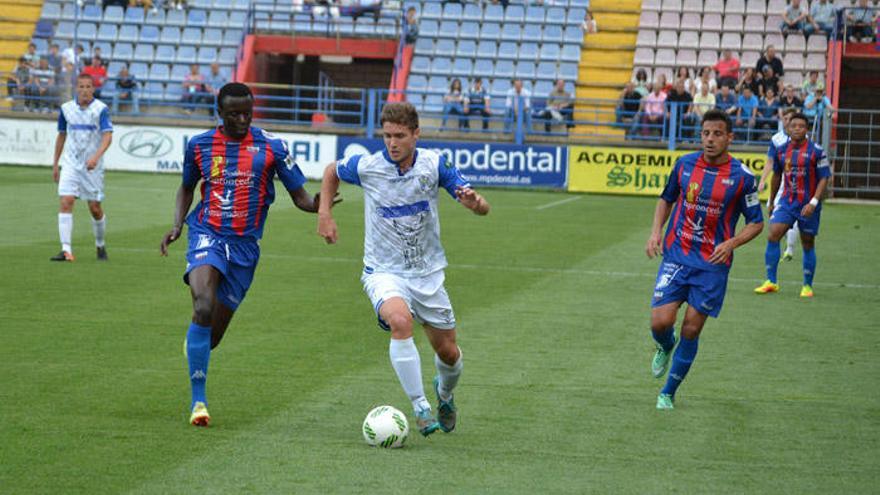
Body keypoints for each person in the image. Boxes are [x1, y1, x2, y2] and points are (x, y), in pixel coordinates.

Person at [159, 83, 332, 426]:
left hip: (245, 248)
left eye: (247, 113)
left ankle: (197, 347)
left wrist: (318, 205)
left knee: (213, 337)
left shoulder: (271, 146)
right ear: (219, 114)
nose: (242, 119)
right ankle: (199, 403)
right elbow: (187, 187)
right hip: (207, 233)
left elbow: (299, 196)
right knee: (203, 305)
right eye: (234, 113)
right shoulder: (199, 146)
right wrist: (178, 225)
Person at [317, 101, 490, 435]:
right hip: (384, 271)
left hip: (427, 274)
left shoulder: (434, 164)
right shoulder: (368, 166)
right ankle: (420, 406)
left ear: (416, 134)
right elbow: (331, 172)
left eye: (399, 135)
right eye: (387, 135)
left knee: (450, 354)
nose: (392, 143)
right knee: (400, 320)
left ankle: (444, 393)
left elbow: (477, 203)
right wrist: (325, 213)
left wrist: (477, 205)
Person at [645, 109, 764, 410]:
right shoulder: (684, 165)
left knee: (691, 329)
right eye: (706, 133)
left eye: (717, 134)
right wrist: (655, 232)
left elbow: (756, 222)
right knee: (661, 322)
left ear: (729, 137)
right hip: (677, 255)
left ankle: (668, 392)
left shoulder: (743, 178)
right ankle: (664, 344)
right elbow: (666, 198)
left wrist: (732, 242)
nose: (710, 140)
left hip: (712, 265)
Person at [755, 112, 831, 298]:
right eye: (793, 125)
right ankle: (771, 281)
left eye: (801, 126)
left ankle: (807, 286)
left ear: (806, 129)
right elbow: (777, 176)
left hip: (808, 204)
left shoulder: (817, 151)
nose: (797, 129)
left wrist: (814, 202)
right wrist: (772, 200)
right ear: (787, 128)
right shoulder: (781, 150)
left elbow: (824, 179)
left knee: (807, 242)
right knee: (773, 234)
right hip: (787, 202)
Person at [51, 74, 113, 262]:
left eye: (88, 86)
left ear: (93, 89)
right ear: (76, 89)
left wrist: (95, 157)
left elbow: (108, 136)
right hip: (70, 164)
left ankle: (100, 245)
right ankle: (66, 250)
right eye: (81, 86)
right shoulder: (66, 109)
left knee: (94, 208)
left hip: (92, 167)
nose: (85, 90)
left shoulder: (100, 109)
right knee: (66, 201)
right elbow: (61, 135)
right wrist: (55, 163)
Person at [758, 108, 800, 262]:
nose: (788, 121)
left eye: (791, 118)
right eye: (786, 118)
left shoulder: (803, 137)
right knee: (771, 207)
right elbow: (770, 162)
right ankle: (781, 237)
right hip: (780, 179)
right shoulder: (776, 139)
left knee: (792, 211)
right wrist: (762, 180)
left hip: (795, 182)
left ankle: (789, 248)